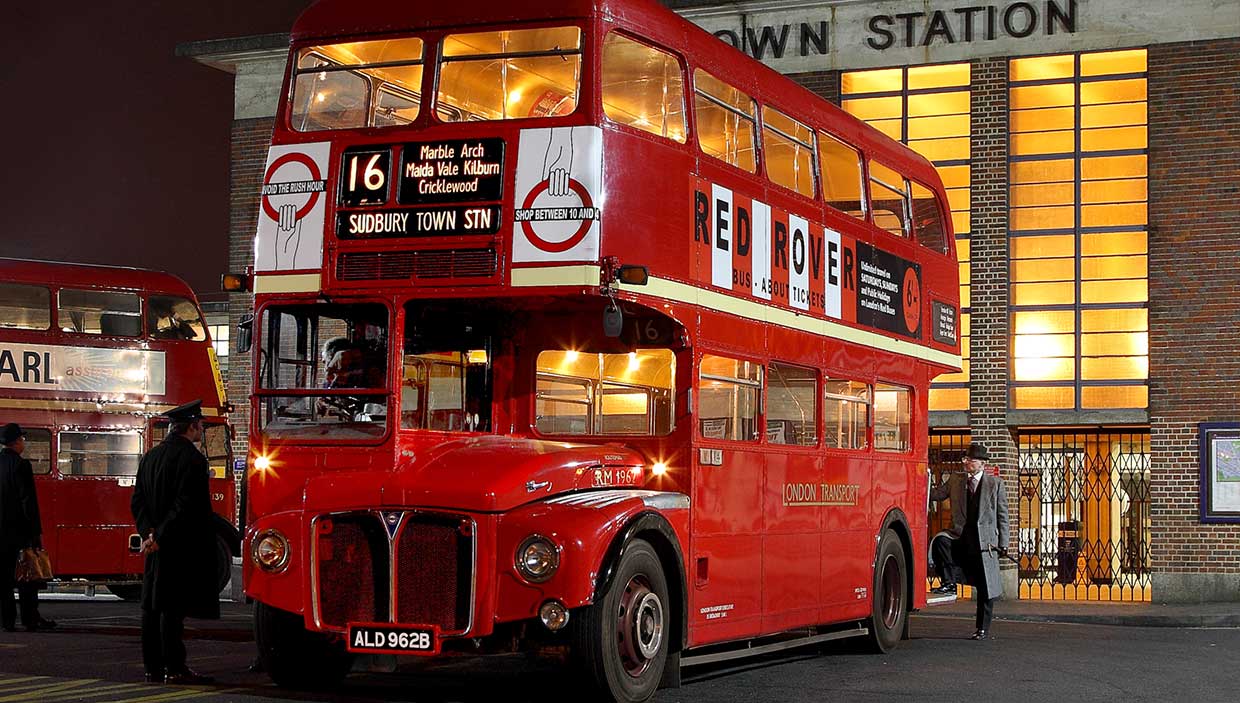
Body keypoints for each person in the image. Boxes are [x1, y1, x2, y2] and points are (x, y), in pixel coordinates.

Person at [130, 401, 219, 684]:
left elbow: (138, 500)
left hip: (155, 545)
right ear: (191, 426)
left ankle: (152, 667)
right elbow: (185, 505)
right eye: (200, 426)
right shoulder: (193, 460)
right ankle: (175, 667)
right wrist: (161, 536)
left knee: (151, 606)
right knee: (172, 609)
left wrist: (148, 534)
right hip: (179, 545)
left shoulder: (150, 457)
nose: (201, 430)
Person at [928, 442, 1010, 640]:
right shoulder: (956, 480)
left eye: (971, 460)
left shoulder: (995, 484)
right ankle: (949, 582)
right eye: (965, 459)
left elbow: (1003, 515)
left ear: (982, 464)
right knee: (940, 542)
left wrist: (1003, 543)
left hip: (984, 543)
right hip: (960, 537)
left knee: (985, 587)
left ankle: (982, 628)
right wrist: (922, 480)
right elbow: (937, 494)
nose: (966, 463)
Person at [0, 423, 56, 633]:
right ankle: (30, 618)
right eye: (22, 439)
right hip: (20, 533)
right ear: (16, 442)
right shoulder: (22, 466)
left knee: (3, 579)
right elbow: (28, 502)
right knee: (27, 577)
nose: (24, 442)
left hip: (0, 534)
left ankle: (6, 621)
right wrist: (35, 533)